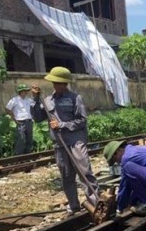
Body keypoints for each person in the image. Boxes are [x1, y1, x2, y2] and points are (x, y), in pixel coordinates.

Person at [31, 67, 99, 215]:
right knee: (67, 176)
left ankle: (96, 203)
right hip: (59, 144)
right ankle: (74, 206)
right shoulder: (47, 100)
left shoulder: (75, 98)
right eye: (54, 82)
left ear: (65, 84)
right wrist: (35, 100)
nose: (56, 85)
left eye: (59, 83)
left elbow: (82, 120)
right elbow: (37, 118)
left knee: (85, 172)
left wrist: (61, 125)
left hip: (76, 141)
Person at [5, 83, 35, 155]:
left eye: (26, 91)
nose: (26, 92)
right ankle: (19, 155)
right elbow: (7, 108)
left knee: (29, 138)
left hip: (29, 121)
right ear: (20, 91)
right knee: (21, 139)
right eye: (24, 91)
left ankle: (28, 154)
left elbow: (35, 107)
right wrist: (13, 116)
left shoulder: (29, 100)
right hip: (20, 122)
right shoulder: (14, 100)